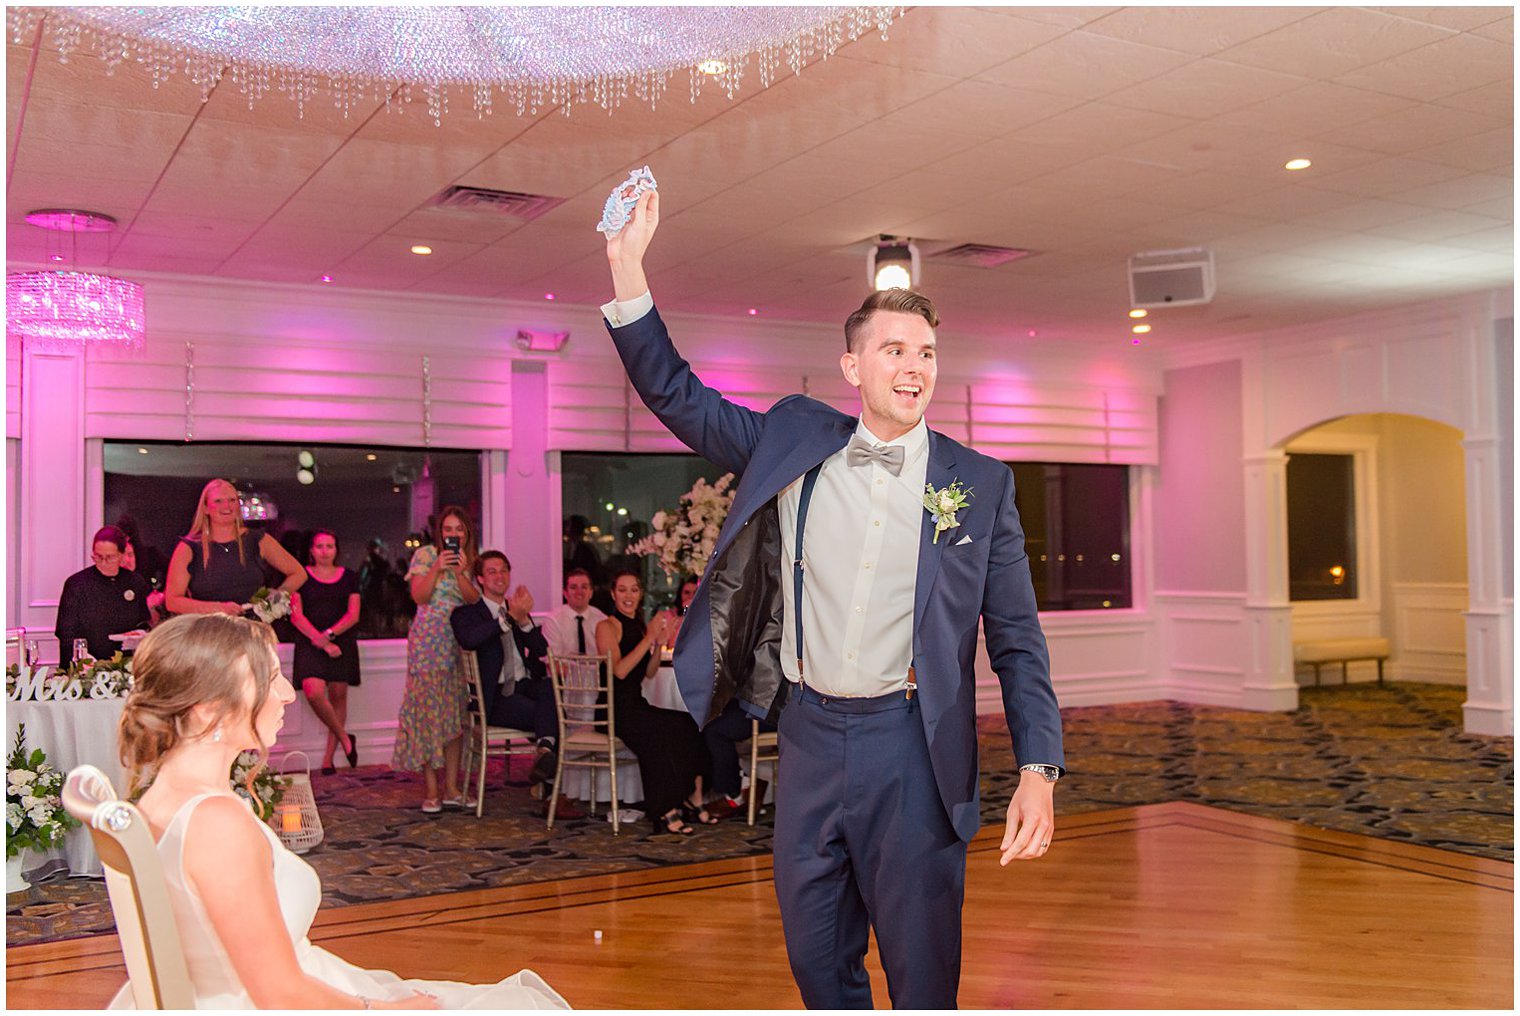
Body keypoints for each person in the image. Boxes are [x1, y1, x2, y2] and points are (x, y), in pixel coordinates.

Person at [603, 189, 1064, 1008]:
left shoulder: (981, 485)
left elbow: (1018, 642)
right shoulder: (793, 441)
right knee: (818, 961)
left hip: (914, 747)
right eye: (893, 350)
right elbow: (677, 395)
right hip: (810, 734)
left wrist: (1038, 768)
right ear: (853, 367)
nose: (913, 367)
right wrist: (626, 267)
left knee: (923, 979)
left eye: (925, 351)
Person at [112, 613, 568, 1009]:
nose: (289, 693)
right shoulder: (214, 824)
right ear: (210, 708)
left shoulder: (159, 794)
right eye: (271, 679)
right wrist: (384, 1009)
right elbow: (278, 992)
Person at [449, 552, 582, 819]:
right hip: (494, 697)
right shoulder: (466, 614)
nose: (499, 576)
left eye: (503, 570)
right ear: (480, 579)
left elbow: (540, 649)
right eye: (492, 571)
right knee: (554, 714)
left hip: (524, 686)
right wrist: (507, 618)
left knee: (550, 689)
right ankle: (553, 789)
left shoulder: (518, 610)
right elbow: (470, 639)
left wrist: (522, 621)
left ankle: (544, 749)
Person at [594, 569, 714, 836]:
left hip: (636, 705)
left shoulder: (637, 625)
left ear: (640, 594)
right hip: (613, 712)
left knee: (686, 723)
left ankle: (691, 798)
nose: (628, 595)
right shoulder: (606, 626)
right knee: (658, 738)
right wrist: (649, 638)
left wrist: (658, 645)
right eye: (622, 590)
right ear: (613, 594)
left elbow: (648, 673)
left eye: (634, 590)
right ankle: (664, 808)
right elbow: (620, 671)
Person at [393, 507, 479, 814]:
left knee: (455, 716)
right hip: (428, 642)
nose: (453, 534)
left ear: (466, 533)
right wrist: (438, 569)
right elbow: (419, 596)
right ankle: (431, 789)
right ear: (439, 532)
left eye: (459, 529)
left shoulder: (470, 559)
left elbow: (473, 600)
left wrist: (459, 572)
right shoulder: (427, 555)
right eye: (448, 529)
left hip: (459, 642)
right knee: (429, 717)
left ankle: (452, 787)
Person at [164, 478, 306, 616]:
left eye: (232, 500)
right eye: (218, 501)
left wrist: (274, 599)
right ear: (206, 508)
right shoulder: (189, 548)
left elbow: (298, 573)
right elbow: (172, 601)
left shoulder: (258, 540)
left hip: (252, 628)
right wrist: (218, 608)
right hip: (208, 630)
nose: (227, 506)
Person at [289, 530, 361, 776]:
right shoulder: (301, 576)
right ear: (311, 549)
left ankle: (329, 759)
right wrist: (318, 640)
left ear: (336, 550)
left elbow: (354, 614)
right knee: (314, 692)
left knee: (338, 695)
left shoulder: (349, 577)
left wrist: (329, 636)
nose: (324, 551)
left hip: (341, 641)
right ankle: (345, 738)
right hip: (310, 642)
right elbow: (295, 614)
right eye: (319, 546)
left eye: (329, 546)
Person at [55, 525, 151, 661]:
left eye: (110, 557)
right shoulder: (77, 584)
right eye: (98, 557)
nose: (104, 563)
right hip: (86, 665)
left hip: (125, 663)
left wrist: (139, 635)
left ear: (122, 555)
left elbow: (142, 623)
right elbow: (66, 632)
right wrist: (84, 659)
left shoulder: (135, 582)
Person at [542, 568, 608, 659]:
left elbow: (608, 657)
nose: (579, 592)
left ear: (591, 593)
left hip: (597, 672)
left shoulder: (602, 619)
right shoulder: (553, 621)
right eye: (573, 587)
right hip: (564, 673)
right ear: (565, 593)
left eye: (584, 587)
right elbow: (554, 662)